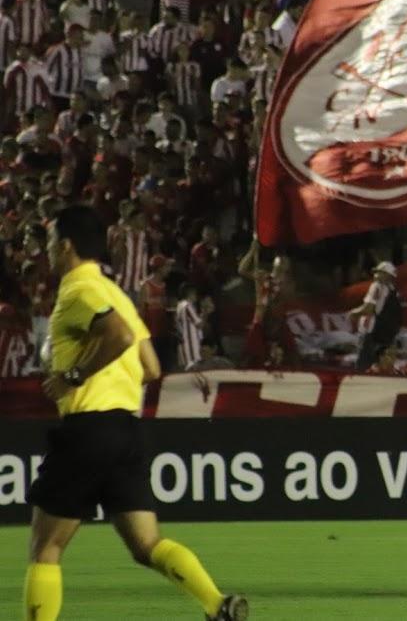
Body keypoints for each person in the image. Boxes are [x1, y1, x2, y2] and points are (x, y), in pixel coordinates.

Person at [25, 205, 247, 621]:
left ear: (67, 246)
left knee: (46, 548)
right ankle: (218, 604)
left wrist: (74, 374)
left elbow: (119, 336)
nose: (49, 251)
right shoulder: (118, 296)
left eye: (52, 243)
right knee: (147, 545)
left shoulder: (78, 290)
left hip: (88, 428)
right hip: (125, 429)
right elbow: (151, 367)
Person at [348, 261, 402, 370]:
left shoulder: (376, 286)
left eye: (380, 272)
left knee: (362, 366)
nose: (375, 274)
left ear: (387, 275)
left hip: (369, 330)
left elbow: (369, 308)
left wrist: (354, 313)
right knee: (375, 365)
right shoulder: (392, 290)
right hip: (381, 333)